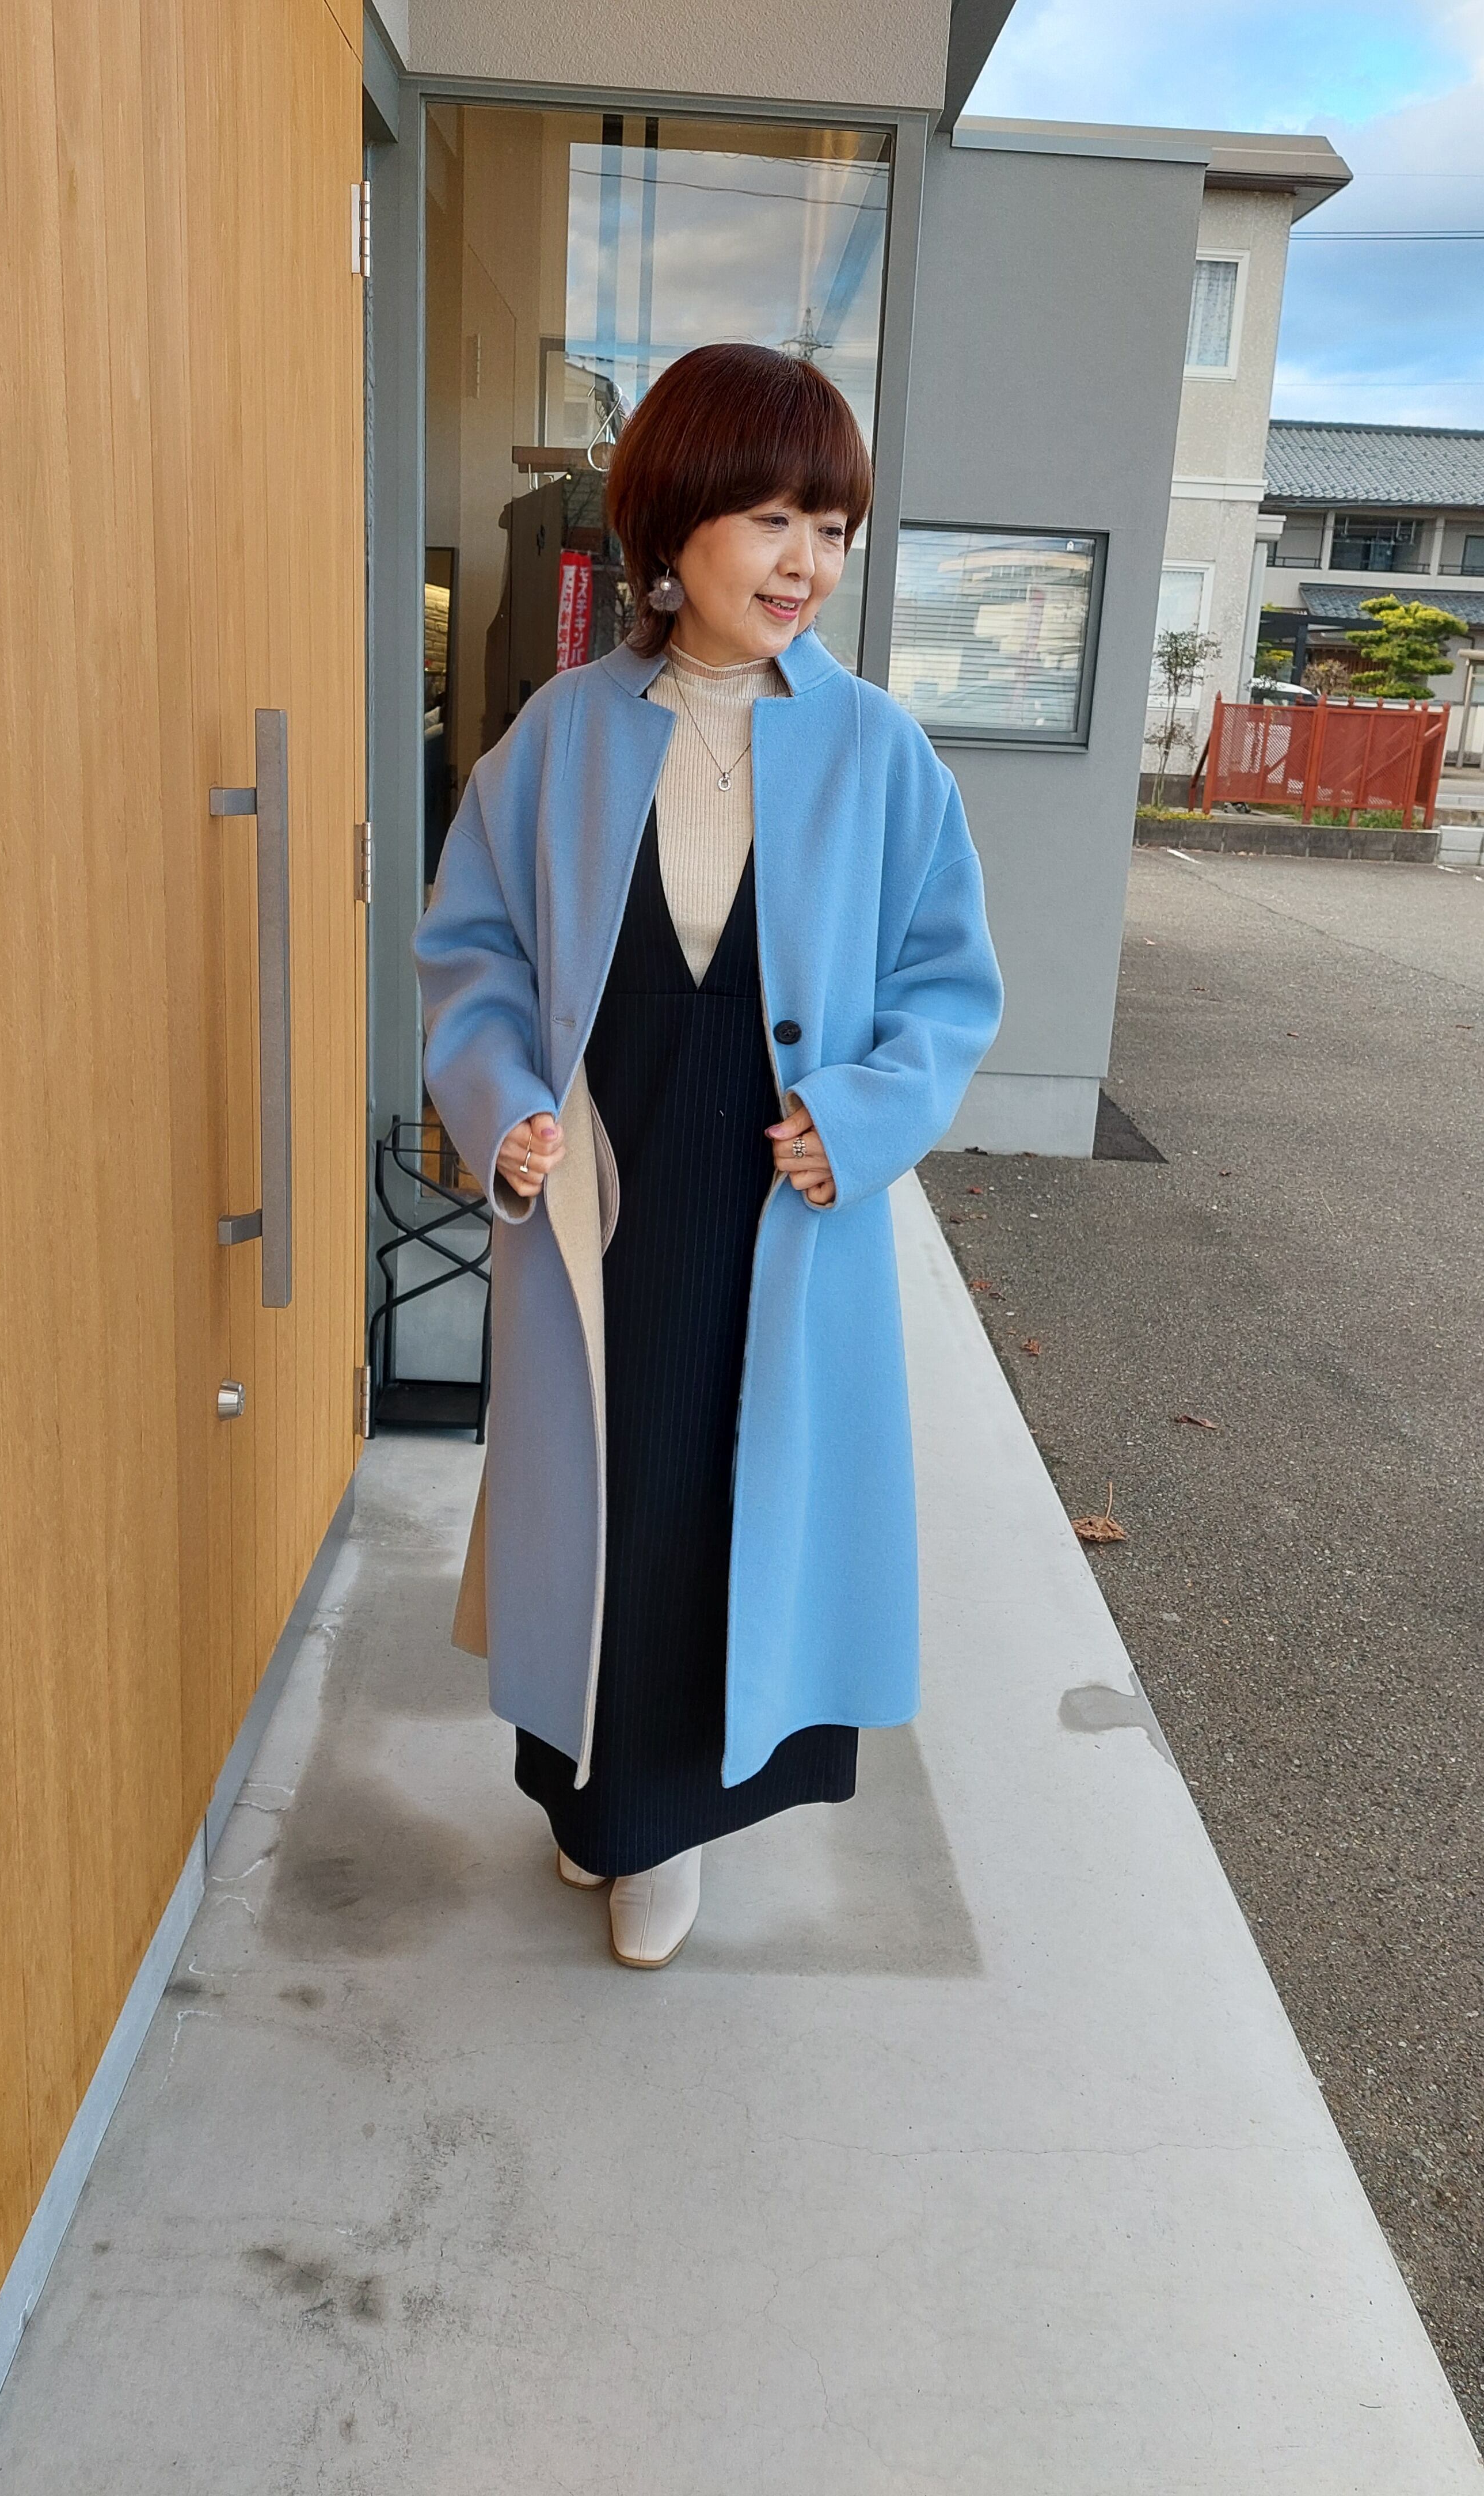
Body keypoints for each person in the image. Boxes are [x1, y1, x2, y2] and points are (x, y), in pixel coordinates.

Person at [414, 341, 1002, 1969]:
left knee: (723, 1500)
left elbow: (948, 983)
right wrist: (501, 1102)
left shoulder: (879, 750)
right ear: (674, 526)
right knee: (604, 1504)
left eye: (832, 528)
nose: (806, 562)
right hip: (603, 1189)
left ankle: (661, 1826)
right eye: (770, 520)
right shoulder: (561, 734)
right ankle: (590, 1796)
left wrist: (863, 1118)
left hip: (776, 1196)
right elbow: (471, 949)